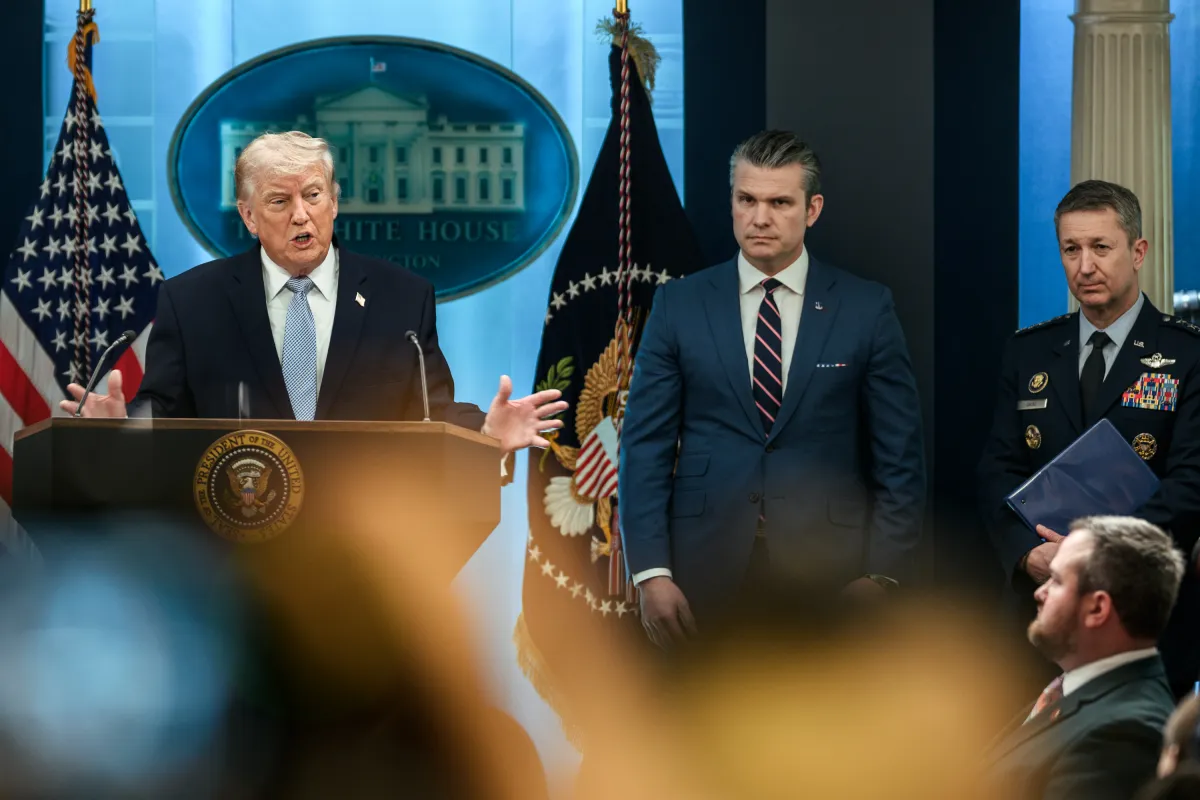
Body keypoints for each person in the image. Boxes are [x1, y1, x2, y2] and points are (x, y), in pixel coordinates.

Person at [58, 131, 564, 455]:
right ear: (249, 216)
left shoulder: (401, 299)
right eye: (280, 201)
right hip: (229, 550)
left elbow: (433, 412)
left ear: (334, 202)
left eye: (313, 195)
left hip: (369, 556)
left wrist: (485, 433)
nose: (301, 214)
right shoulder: (192, 302)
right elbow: (164, 412)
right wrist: (124, 426)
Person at [618, 129, 925, 649]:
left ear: (812, 209)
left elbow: (900, 459)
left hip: (831, 575)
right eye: (747, 200)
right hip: (701, 573)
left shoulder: (865, 308)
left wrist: (883, 575)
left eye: (779, 202)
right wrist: (651, 574)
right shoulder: (679, 305)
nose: (760, 218)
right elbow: (644, 448)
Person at [978, 179, 1200, 697]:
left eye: (1101, 247)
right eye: (1071, 249)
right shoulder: (1028, 352)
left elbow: (1191, 483)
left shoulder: (1187, 354)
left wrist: (1089, 552)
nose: (1085, 266)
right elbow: (997, 470)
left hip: (1144, 612)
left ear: (1138, 251)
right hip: (1041, 612)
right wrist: (1026, 554)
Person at [982, 515, 1183, 800]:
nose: (1039, 592)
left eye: (1056, 581)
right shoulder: (1073, 689)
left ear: (1098, 609)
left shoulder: (1123, 734)